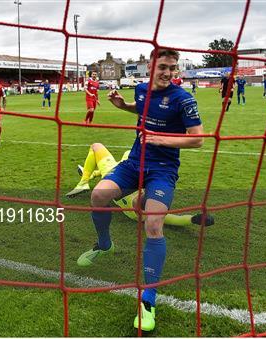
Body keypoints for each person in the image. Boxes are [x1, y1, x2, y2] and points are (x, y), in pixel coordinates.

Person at [77, 49, 204, 331]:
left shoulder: (184, 99)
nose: (168, 72)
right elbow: (144, 107)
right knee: (98, 194)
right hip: (135, 163)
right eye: (163, 67)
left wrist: (160, 139)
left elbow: (198, 140)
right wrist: (124, 106)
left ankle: (148, 299)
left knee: (154, 224)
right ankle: (105, 244)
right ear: (150, 66)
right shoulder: (143, 89)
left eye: (172, 67)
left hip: (162, 170)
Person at [66, 142, 214, 227]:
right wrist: (194, 218)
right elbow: (174, 218)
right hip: (130, 171)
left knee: (96, 147)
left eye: (143, 195)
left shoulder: (140, 216)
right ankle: (92, 174)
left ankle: (85, 181)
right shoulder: (149, 205)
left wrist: (193, 219)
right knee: (130, 153)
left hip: (112, 173)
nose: (143, 192)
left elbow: (171, 219)